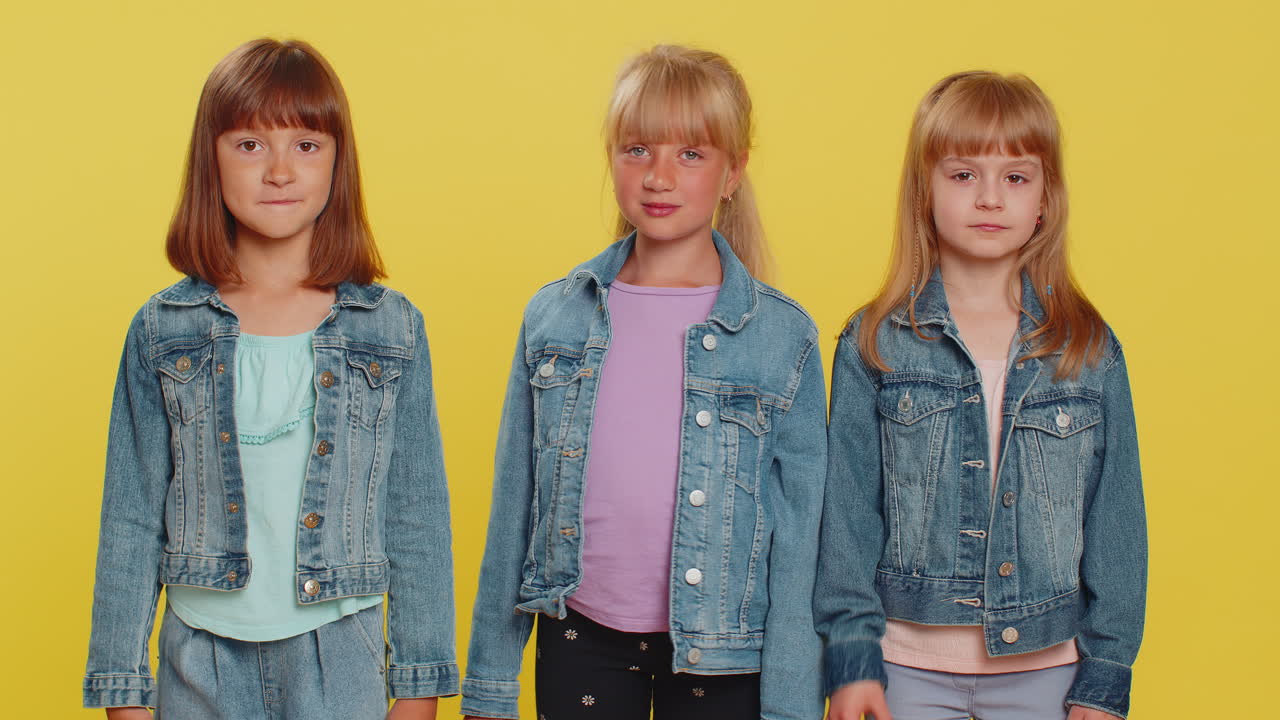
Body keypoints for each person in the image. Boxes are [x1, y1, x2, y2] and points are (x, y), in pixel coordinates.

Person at [82, 38, 457, 720]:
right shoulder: (164, 332)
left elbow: (416, 515)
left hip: (341, 654)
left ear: (338, 162)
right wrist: (122, 689)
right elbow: (131, 520)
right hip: (199, 655)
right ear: (211, 160)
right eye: (250, 145)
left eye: (307, 144)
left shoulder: (390, 329)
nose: (280, 170)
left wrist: (420, 686)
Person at [462, 44, 826, 720]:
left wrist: (792, 704)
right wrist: (489, 683)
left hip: (724, 651)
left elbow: (801, 543)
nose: (659, 176)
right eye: (637, 150)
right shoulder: (555, 317)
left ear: (733, 172)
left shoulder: (783, 338)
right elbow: (515, 505)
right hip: (581, 635)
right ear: (611, 158)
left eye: (690, 154)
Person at [816, 71, 1146, 720]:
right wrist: (853, 659)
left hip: (1050, 671)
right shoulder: (875, 342)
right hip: (904, 668)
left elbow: (1117, 522)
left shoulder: (1085, 347)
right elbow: (848, 517)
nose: (990, 198)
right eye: (963, 175)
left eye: (1016, 177)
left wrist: (1106, 677)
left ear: (1045, 198)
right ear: (925, 192)